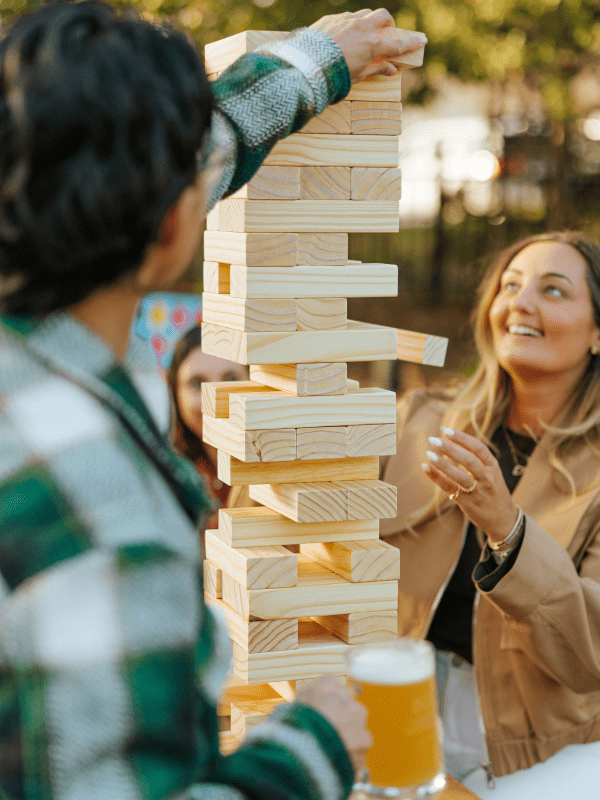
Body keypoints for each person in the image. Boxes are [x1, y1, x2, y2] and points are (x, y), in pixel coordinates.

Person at [0, 2, 427, 798]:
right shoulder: (108, 519)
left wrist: (316, 62)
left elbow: (206, 151)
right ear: (172, 223)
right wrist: (311, 750)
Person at [380, 230, 600, 799]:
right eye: (510, 286)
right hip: (393, 702)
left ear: (597, 332)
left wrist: (508, 528)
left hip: (540, 754)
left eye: (553, 291)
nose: (521, 303)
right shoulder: (419, 420)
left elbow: (590, 653)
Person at [167, 325, 252, 526]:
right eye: (197, 383)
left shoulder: (284, 474)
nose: (215, 399)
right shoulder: (164, 473)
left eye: (231, 379)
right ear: (174, 392)